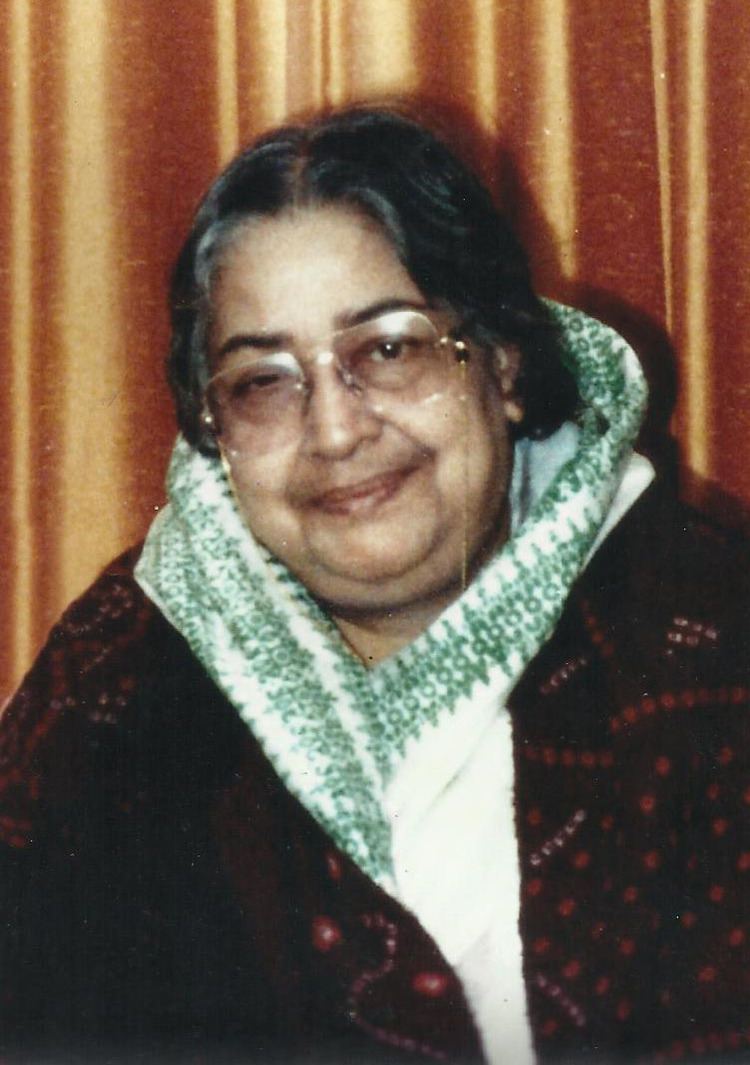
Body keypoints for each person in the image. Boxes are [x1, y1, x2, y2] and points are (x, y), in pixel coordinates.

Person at [1, 106, 748, 1065]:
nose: (336, 430)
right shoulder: (110, 684)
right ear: (211, 431)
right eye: (263, 380)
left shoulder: (708, 651)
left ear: (506, 363)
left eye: (389, 348)